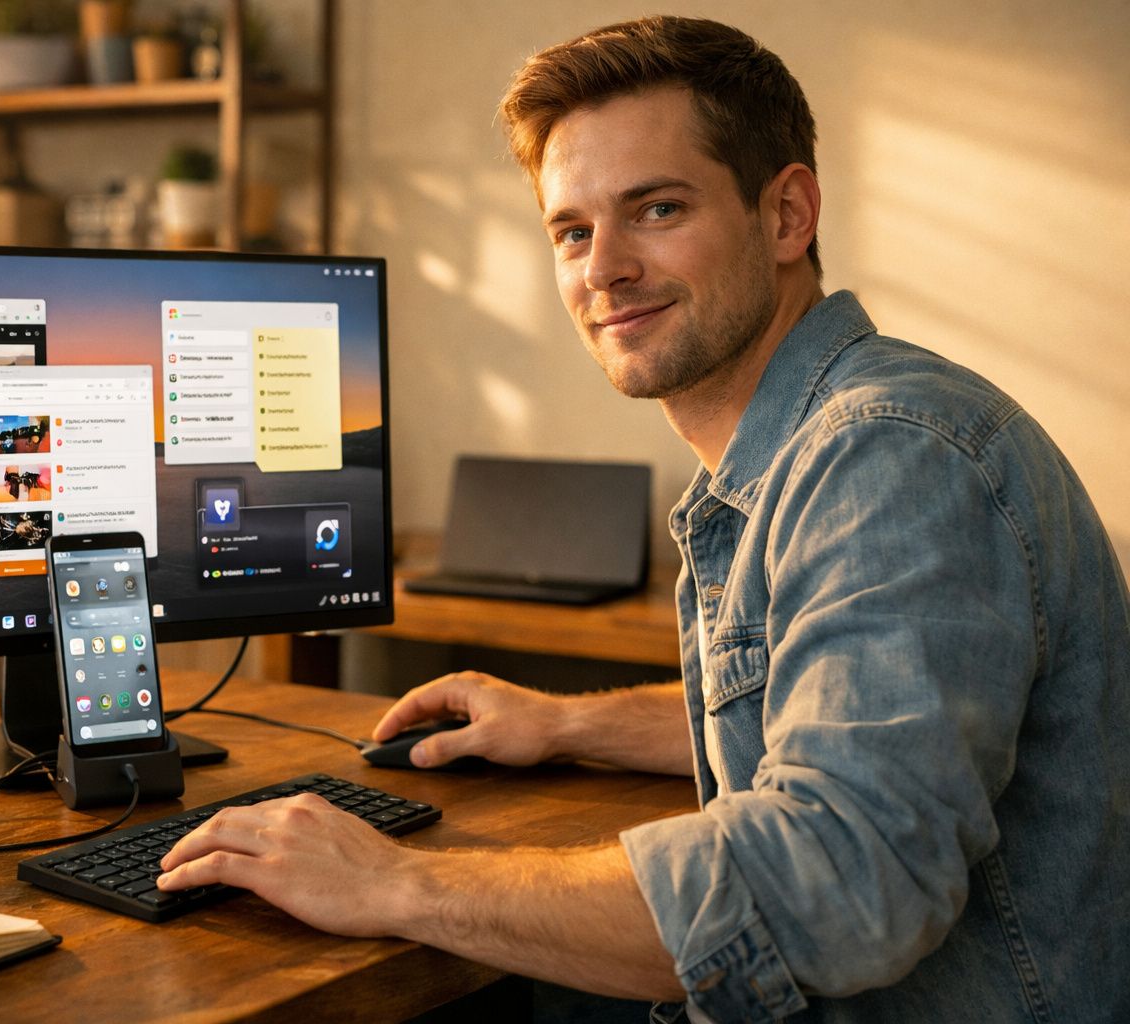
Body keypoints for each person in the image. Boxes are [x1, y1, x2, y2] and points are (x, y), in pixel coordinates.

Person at [157, 15, 1130, 1021]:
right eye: (572, 232)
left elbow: (839, 886)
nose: (603, 269)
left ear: (788, 215)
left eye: (657, 209)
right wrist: (567, 723)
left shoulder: (888, 456)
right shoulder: (807, 448)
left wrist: (394, 882)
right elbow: (830, 703)